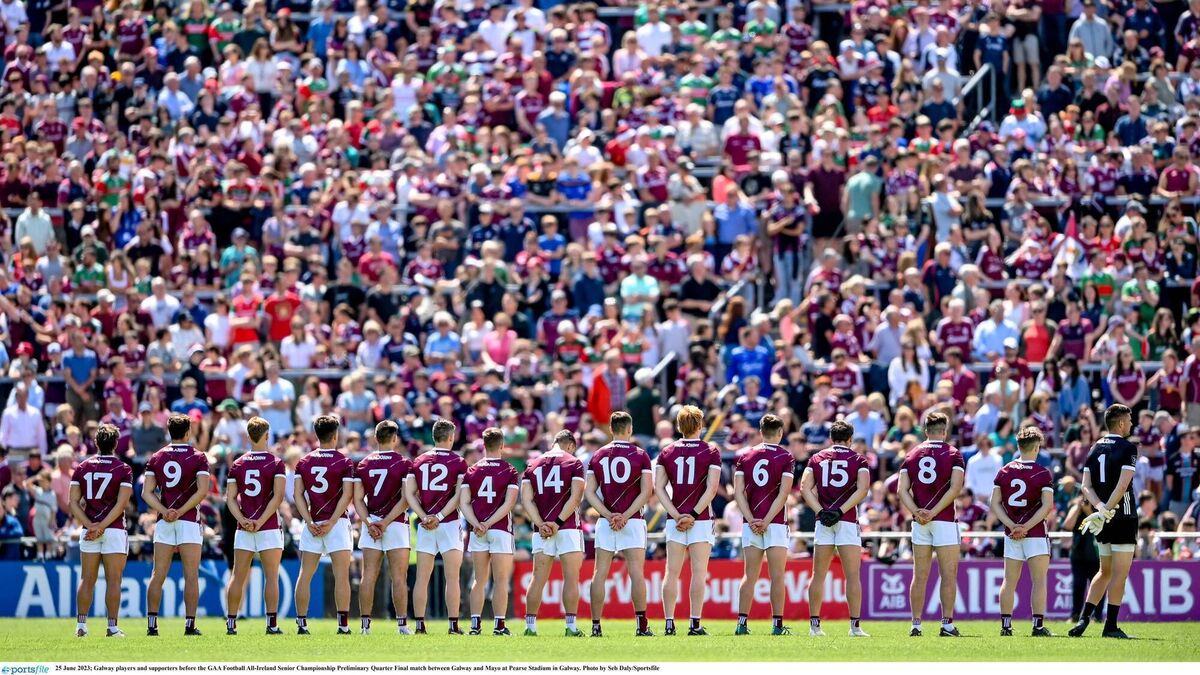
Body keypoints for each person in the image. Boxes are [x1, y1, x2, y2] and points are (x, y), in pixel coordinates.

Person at [1071, 404, 1139, 639]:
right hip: (1123, 516)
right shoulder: (1129, 447)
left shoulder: (1094, 447)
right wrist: (1108, 510)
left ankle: (1083, 620)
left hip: (1102, 519)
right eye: (1129, 420)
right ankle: (1110, 626)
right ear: (1120, 423)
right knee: (1119, 574)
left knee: (1104, 571)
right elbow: (1122, 486)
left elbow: (1085, 487)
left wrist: (1100, 510)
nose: (1131, 423)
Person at [653, 405, 722, 636]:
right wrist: (692, 515)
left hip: (676, 518)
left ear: (679, 426)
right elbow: (712, 489)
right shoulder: (710, 450)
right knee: (698, 572)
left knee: (671, 572)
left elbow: (659, 487)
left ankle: (669, 623)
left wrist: (675, 513)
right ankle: (694, 623)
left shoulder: (667, 451)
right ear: (700, 426)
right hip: (699, 518)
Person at [586, 411, 654, 637]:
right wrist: (625, 515)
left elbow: (590, 492)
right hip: (632, 520)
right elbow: (646, 491)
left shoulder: (598, 455)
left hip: (607, 522)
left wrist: (607, 514)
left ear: (611, 429)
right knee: (636, 572)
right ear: (629, 429)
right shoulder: (640, 454)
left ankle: (596, 626)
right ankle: (641, 625)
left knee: (600, 573)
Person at [898, 410, 965, 637]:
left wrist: (917, 511)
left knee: (920, 575)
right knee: (948, 575)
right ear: (944, 432)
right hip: (944, 519)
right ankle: (946, 624)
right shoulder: (953, 454)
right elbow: (955, 489)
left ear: (925, 431)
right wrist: (934, 512)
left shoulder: (912, 454)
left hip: (920, 522)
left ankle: (916, 624)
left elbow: (901, 490)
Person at [801, 419, 871, 638]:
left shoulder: (817, 458)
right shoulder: (858, 459)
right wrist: (840, 511)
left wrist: (821, 512)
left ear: (831, 438)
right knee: (852, 576)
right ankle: (855, 627)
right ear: (850, 439)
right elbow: (862, 490)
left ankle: (814, 626)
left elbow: (805, 488)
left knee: (818, 574)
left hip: (823, 521)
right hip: (847, 520)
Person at [143, 413, 211, 637]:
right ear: (188, 431)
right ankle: (190, 625)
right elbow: (202, 491)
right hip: (188, 520)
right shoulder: (198, 457)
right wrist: (181, 511)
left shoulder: (157, 457)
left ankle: (152, 626)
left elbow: (147, 493)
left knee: (158, 574)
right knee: (191, 575)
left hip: (165, 520)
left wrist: (165, 511)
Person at [293, 415, 357, 635]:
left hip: (312, 522)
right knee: (342, 575)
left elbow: (297, 495)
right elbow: (347, 495)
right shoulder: (344, 461)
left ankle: (301, 624)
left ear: (316, 435)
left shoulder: (304, 461)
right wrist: (331, 521)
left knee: (305, 574)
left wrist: (309, 520)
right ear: (336, 434)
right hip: (336, 523)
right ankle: (343, 625)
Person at [223, 416, 287, 636]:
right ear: (267, 435)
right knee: (271, 576)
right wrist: (260, 521)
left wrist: (242, 519)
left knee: (237, 575)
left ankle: (231, 623)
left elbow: (230, 498)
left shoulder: (238, 464)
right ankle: (271, 624)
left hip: (244, 526)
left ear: (249, 436)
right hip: (267, 525)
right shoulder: (276, 463)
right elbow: (277, 497)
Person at [405, 418, 468, 635]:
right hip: (448, 522)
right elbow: (459, 495)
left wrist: (424, 516)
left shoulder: (419, 460)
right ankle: (453, 625)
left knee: (422, 577)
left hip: (425, 524)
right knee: (452, 577)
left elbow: (409, 494)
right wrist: (439, 516)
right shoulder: (458, 461)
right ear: (450, 437)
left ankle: (420, 625)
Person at [733, 413, 795, 636]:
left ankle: (742, 624)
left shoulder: (745, 456)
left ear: (760, 432)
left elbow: (737, 492)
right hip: (775, 523)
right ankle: (777, 625)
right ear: (780, 433)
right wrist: (767, 520)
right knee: (777, 576)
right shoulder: (786, 456)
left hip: (751, 523)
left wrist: (751, 519)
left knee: (749, 575)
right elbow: (784, 493)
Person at [521, 430, 588, 637]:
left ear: (554, 442)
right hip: (567, 526)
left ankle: (530, 627)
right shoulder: (573, 462)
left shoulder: (532, 464)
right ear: (570, 445)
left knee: (537, 578)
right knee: (571, 578)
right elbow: (576, 497)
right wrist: (557, 523)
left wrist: (541, 524)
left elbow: (526, 500)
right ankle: (571, 626)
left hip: (541, 529)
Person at [991, 426, 1055, 638]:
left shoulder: (1004, 470)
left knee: (1009, 581)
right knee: (1039, 581)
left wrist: (1012, 525)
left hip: (1012, 534)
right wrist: (1026, 527)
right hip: (1035, 533)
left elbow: (995, 503)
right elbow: (1047, 506)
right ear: (1036, 447)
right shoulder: (1042, 473)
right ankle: (1037, 626)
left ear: (1019, 446)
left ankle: (1006, 626)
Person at [70, 423, 133, 638]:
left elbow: (73, 502)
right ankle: (112, 627)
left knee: (86, 579)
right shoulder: (123, 469)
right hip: (114, 529)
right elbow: (121, 504)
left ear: (96, 442)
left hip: (89, 529)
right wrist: (102, 526)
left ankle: (81, 626)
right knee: (114, 580)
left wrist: (91, 525)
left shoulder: (81, 467)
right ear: (116, 443)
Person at [353, 420, 413, 635]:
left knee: (368, 575)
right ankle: (402, 625)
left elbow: (357, 499)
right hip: (394, 524)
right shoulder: (404, 463)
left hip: (372, 524)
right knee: (399, 577)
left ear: (376, 438)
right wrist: (385, 522)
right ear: (394, 438)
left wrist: (369, 522)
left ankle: (365, 626)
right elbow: (407, 499)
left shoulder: (364, 464)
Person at [461, 427, 520, 636]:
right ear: (502, 446)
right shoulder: (510, 470)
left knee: (480, 579)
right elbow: (508, 504)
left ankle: (475, 625)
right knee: (501, 580)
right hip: (501, 529)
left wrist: (477, 523)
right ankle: (499, 625)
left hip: (478, 530)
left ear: (483, 446)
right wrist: (489, 522)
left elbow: (464, 503)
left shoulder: (471, 470)